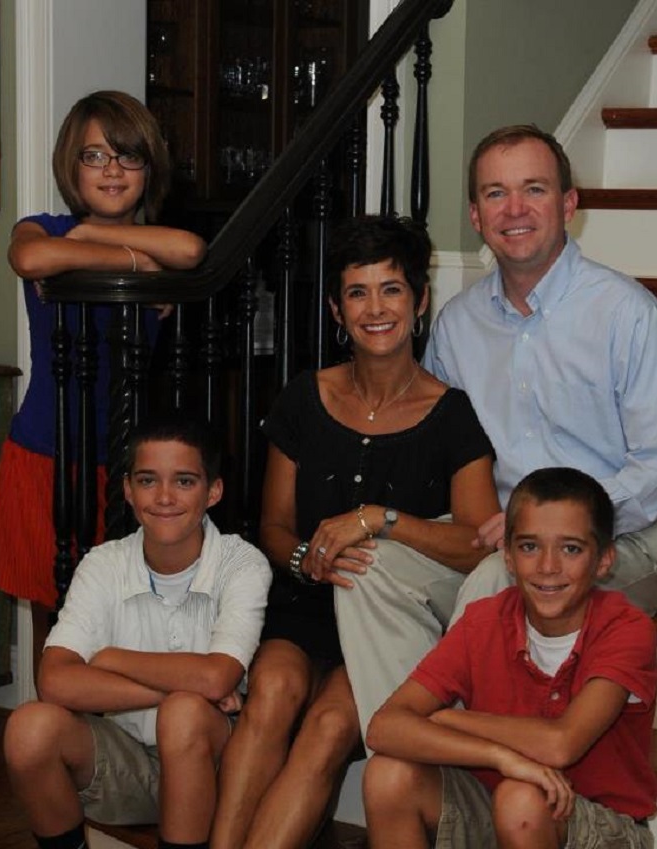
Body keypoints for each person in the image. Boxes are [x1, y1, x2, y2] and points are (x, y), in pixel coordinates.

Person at [211, 215, 499, 849]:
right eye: (358, 292)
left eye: (391, 289)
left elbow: (478, 542)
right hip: (306, 605)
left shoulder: (452, 415)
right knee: (273, 694)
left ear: (420, 301)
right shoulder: (302, 398)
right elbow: (275, 527)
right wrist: (304, 561)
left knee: (329, 728)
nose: (376, 308)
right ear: (337, 309)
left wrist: (383, 521)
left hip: (391, 621)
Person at [423, 123, 657, 619]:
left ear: (568, 205)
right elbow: (439, 454)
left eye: (534, 189)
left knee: (500, 584)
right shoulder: (457, 325)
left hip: (618, 539)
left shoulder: (628, 313)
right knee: (372, 572)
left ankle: (465, 699)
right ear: (476, 216)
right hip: (494, 534)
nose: (515, 209)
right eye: (496, 193)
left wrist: (543, 527)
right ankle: (408, 701)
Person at [0, 90, 207, 673]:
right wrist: (133, 263)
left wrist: (87, 243)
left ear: (148, 165)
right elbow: (31, 260)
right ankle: (53, 740)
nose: (111, 169)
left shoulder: (158, 237)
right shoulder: (44, 227)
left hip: (125, 459)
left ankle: (114, 750)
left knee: (126, 617)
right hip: (44, 452)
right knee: (52, 617)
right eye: (94, 156)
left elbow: (189, 249)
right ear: (70, 166)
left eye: (127, 156)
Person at [3, 415, 272, 849]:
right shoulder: (103, 564)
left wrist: (109, 661)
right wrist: (171, 691)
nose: (164, 497)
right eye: (148, 480)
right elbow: (53, 680)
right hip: (127, 761)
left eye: (184, 481)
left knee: (184, 715)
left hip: (217, 769)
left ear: (213, 491)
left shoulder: (242, 564)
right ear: (127, 489)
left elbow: (217, 678)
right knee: (28, 728)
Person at [364, 467, 657, 849]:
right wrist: (500, 757)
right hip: (501, 802)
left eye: (571, 548)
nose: (548, 566)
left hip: (600, 825)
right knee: (387, 774)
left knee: (519, 800)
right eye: (529, 547)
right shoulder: (484, 621)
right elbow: (383, 728)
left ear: (603, 560)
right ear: (507, 556)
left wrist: (454, 719)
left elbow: (560, 745)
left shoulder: (625, 628)